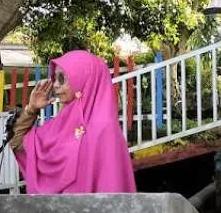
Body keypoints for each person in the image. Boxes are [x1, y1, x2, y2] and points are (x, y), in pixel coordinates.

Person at [12, 50, 137, 194]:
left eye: (62, 78)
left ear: (84, 80)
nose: (56, 85)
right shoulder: (57, 126)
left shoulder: (104, 130)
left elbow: (112, 190)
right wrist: (31, 109)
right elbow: (16, 143)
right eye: (55, 78)